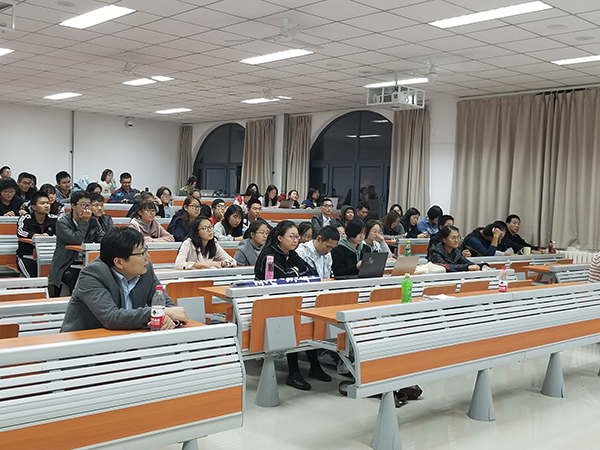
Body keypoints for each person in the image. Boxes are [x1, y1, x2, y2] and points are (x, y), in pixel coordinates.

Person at [60, 227, 189, 332]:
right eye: (141, 253)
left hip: (125, 340)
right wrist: (158, 313)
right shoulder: (92, 274)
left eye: (146, 250)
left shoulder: (145, 269)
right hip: (83, 344)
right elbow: (111, 317)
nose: (148, 257)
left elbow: (169, 307)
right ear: (119, 262)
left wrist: (170, 320)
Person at [254, 220, 330, 390]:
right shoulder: (269, 255)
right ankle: (293, 372)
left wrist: (292, 272)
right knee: (293, 321)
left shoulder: (291, 254)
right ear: (280, 238)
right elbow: (276, 279)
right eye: (292, 236)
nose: (296, 240)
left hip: (289, 300)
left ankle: (314, 366)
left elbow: (309, 272)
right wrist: (294, 272)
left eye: (297, 237)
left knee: (306, 319)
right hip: (268, 303)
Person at [49, 191, 105, 297]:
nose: (86, 209)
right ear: (73, 206)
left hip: (87, 263)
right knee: (78, 277)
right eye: (83, 205)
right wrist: (84, 222)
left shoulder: (93, 221)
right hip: (66, 265)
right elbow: (76, 240)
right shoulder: (62, 223)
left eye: (88, 205)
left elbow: (102, 238)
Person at [16, 191, 57, 277]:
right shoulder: (25, 218)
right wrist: (35, 235)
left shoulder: (53, 219)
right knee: (33, 279)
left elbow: (60, 234)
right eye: (42, 203)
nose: (46, 206)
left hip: (47, 255)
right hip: (27, 255)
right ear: (34, 207)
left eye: (47, 203)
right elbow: (20, 232)